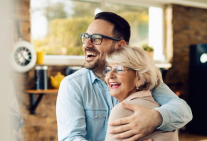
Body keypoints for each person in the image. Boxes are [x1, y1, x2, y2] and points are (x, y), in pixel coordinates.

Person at [56, 12, 192, 141]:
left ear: (121, 45)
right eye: (86, 37)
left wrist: (155, 117)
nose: (86, 44)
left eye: (96, 38)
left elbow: (184, 111)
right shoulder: (73, 85)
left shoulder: (141, 78)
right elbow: (71, 138)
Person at [104, 46, 178, 141]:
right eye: (108, 70)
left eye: (119, 69)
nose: (110, 75)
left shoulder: (122, 110)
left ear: (140, 77)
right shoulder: (166, 109)